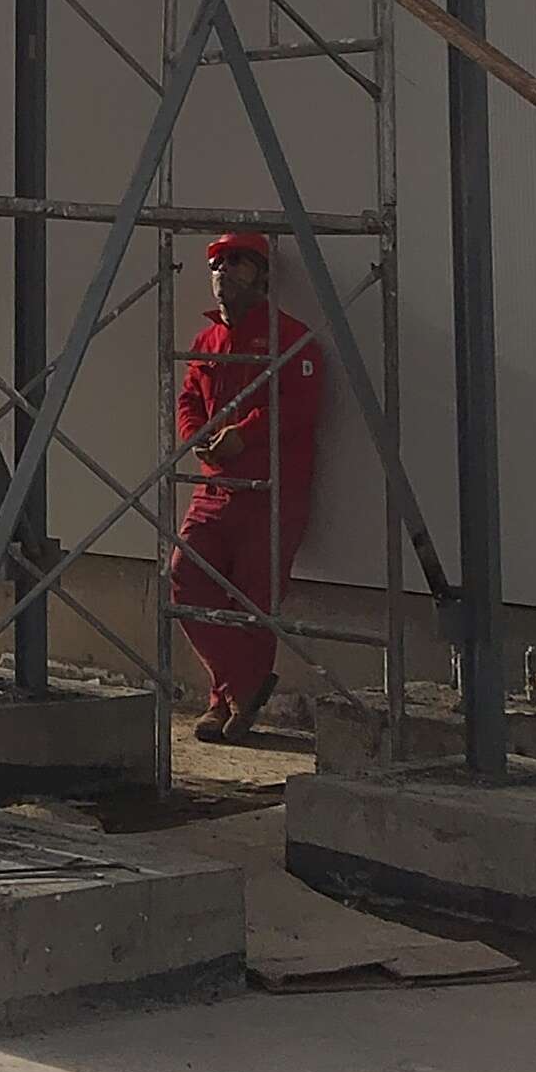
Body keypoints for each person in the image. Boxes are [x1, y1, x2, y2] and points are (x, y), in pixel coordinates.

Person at [169, 226, 325, 743]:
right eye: (217, 263)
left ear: (262, 275)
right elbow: (189, 398)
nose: (223, 270)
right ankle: (243, 688)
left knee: (253, 603)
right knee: (185, 578)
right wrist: (197, 435)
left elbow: (299, 407)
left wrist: (245, 433)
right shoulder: (207, 340)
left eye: (237, 261)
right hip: (215, 489)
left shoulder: (291, 338)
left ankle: (226, 705)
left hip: (272, 492)